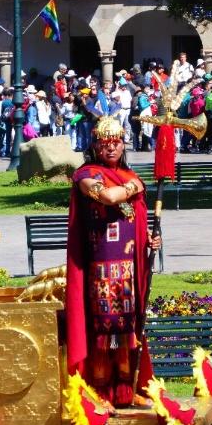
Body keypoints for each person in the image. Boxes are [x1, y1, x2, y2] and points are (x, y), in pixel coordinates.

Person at [66, 115, 160, 409]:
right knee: (103, 331)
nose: (110, 149)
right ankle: (100, 393)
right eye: (105, 144)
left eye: (116, 143)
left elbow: (133, 216)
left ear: (123, 144)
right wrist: (136, 185)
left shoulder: (128, 173)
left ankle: (125, 390)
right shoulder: (85, 175)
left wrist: (148, 238)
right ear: (94, 145)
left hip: (128, 266)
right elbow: (107, 197)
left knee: (126, 329)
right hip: (101, 267)